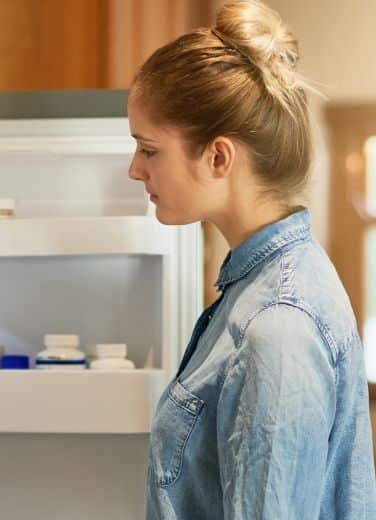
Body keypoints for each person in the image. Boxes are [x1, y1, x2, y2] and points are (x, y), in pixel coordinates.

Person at [127, 1, 376, 518]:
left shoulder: (277, 327)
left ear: (219, 157)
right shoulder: (257, 290)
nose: (135, 169)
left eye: (149, 150)